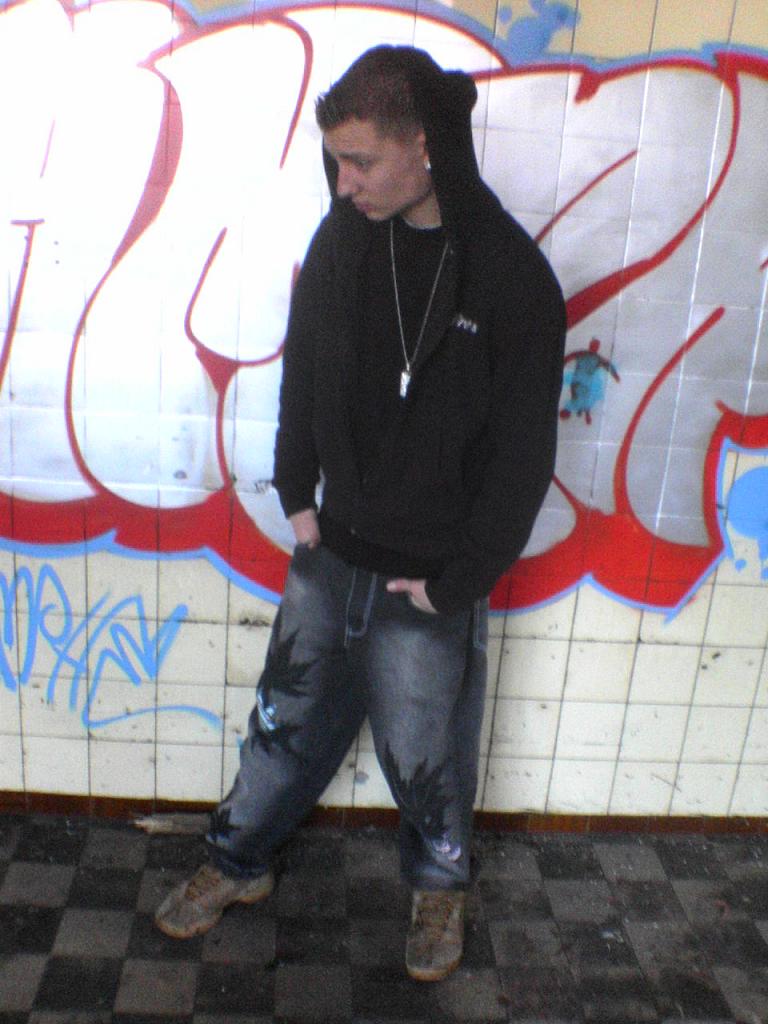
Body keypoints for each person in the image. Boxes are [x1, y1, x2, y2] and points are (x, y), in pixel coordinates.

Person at [155, 44, 566, 982]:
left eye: (361, 161)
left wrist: (459, 583)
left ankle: (438, 890)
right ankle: (238, 861)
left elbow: (522, 461)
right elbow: (303, 367)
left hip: (430, 578)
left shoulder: (511, 279)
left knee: (426, 752)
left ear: (424, 145)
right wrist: (297, 495)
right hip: (330, 549)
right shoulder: (345, 239)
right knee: (283, 727)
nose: (344, 183)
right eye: (335, 160)